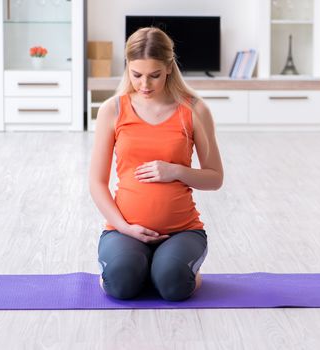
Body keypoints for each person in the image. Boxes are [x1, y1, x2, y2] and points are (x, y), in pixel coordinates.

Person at [89, 27, 223, 301]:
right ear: (127, 67)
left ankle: (170, 270)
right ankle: (138, 269)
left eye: (154, 75)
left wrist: (175, 171)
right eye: (136, 75)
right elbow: (96, 183)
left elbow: (215, 178)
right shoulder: (112, 110)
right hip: (124, 230)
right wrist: (125, 228)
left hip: (182, 231)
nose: (145, 85)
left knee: (174, 285)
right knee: (121, 285)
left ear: (169, 68)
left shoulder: (195, 109)